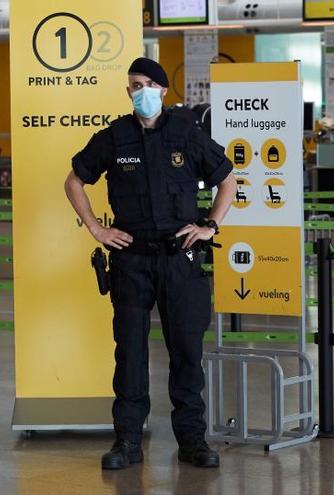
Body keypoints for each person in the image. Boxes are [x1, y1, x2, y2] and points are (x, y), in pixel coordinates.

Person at [64, 58, 237, 470]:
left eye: (143, 84)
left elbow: (227, 178)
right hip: (132, 260)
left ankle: (192, 441)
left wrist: (210, 225)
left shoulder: (186, 133)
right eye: (131, 86)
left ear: (161, 89)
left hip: (180, 260)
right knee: (130, 353)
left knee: (186, 353)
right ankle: (127, 441)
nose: (136, 92)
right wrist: (96, 229)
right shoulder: (115, 137)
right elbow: (74, 181)